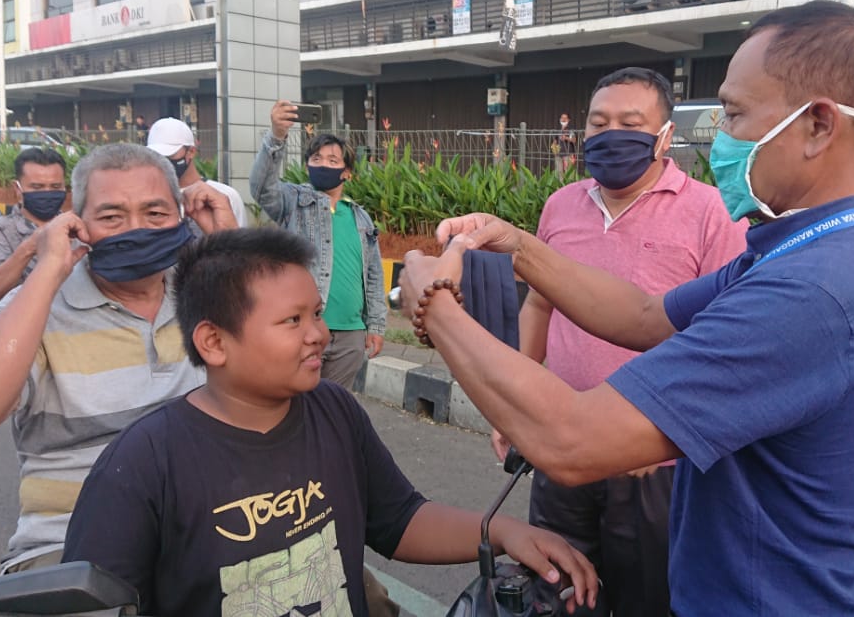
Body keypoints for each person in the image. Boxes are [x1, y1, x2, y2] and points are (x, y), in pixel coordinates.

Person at [398, 0, 854, 616]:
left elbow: (571, 440)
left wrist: (433, 302)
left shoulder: (812, 293)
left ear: (819, 125)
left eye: (737, 113)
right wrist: (519, 245)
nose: (721, 136)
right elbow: (644, 315)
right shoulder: (800, 250)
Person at [61, 228, 597, 617]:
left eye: (315, 314)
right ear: (214, 342)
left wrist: (502, 530)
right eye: (292, 320)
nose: (317, 334)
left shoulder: (334, 411)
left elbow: (398, 519)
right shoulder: (145, 461)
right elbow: (93, 601)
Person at [490, 67, 747, 617]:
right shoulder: (561, 205)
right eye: (599, 122)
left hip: (653, 461)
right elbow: (540, 304)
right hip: (561, 445)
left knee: (646, 596)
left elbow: (724, 336)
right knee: (557, 588)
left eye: (631, 123)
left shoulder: (710, 212)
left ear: (665, 136)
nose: (611, 134)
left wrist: (668, 431)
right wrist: (510, 406)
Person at [0, 142, 239, 573]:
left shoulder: (210, 292)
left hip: (213, 527)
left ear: (181, 216)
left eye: (155, 214)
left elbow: (293, 357)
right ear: (79, 225)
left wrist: (228, 243)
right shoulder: (35, 310)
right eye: (112, 217)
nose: (136, 229)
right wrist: (48, 270)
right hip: (74, 543)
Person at [249, 102, 385, 391]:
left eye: (333, 161)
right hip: (303, 329)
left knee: (333, 407)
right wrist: (276, 136)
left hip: (351, 334)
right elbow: (262, 189)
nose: (323, 164)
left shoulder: (361, 217)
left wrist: (375, 326)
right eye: (316, 158)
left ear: (347, 172)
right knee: (295, 403)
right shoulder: (293, 202)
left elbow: (373, 276)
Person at [0, 148, 69, 301]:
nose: (47, 193)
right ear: (17, 189)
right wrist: (30, 246)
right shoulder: (0, 231)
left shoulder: (77, 229)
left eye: (55, 187)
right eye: (37, 187)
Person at [146, 117, 248, 228]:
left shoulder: (223, 196)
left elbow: (241, 242)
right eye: (156, 156)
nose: (163, 162)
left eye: (169, 155)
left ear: (191, 152)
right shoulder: (145, 196)